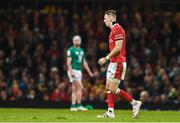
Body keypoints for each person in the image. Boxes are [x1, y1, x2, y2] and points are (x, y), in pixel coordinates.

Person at [97, 10, 142, 118]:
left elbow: (118, 48)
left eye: (105, 18)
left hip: (118, 63)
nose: (104, 21)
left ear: (111, 18)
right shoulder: (113, 30)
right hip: (113, 62)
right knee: (108, 86)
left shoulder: (118, 29)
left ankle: (134, 102)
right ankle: (110, 111)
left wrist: (106, 58)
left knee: (112, 89)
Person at [67, 35, 94, 111]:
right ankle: (75, 106)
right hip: (73, 70)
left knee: (75, 89)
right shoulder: (70, 50)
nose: (77, 41)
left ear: (80, 41)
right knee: (80, 87)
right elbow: (68, 62)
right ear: (73, 41)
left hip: (79, 71)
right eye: (75, 40)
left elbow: (84, 62)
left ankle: (75, 106)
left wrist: (89, 72)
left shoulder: (81, 50)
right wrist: (71, 71)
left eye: (78, 40)